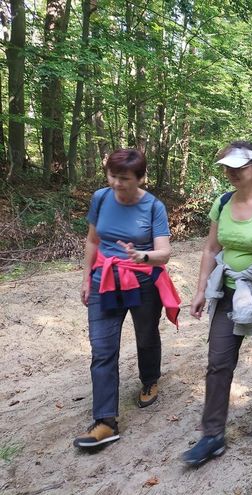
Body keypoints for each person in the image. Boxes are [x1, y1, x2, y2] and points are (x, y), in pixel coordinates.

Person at [182, 141, 252, 467]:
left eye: (238, 167)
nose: (230, 172)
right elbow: (209, 249)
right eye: (227, 167)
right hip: (229, 293)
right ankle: (212, 435)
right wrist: (201, 289)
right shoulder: (222, 203)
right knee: (218, 364)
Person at [74, 148, 180, 449]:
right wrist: (85, 279)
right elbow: (93, 240)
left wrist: (142, 255)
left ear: (140, 178)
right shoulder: (101, 198)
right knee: (103, 349)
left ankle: (150, 379)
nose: (117, 183)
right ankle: (106, 422)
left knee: (145, 336)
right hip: (104, 280)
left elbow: (165, 253)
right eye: (112, 176)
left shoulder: (153, 207)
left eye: (124, 178)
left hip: (143, 280)